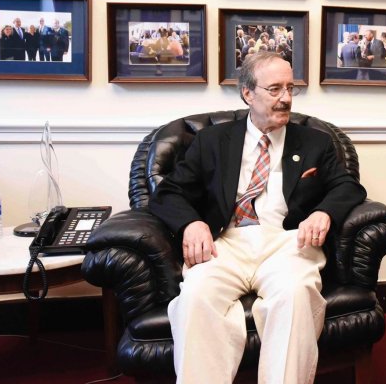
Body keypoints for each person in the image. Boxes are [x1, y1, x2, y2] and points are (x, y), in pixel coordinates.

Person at [149, 52, 366, 384]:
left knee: (294, 296)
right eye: (275, 89)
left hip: (287, 244)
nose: (286, 98)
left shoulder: (315, 142)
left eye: (290, 88)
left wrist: (324, 212)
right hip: (226, 243)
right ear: (248, 93)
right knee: (195, 298)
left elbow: (347, 186)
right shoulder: (212, 141)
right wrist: (191, 223)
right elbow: (169, 192)